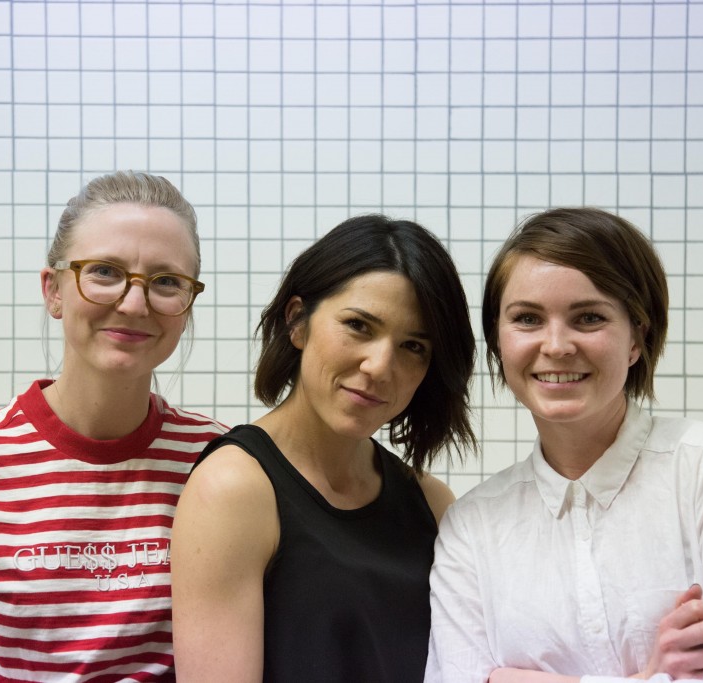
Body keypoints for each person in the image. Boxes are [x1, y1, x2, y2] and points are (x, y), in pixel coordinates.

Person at [426, 207, 703, 682]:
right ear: (499, 343)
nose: (557, 345)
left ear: (636, 339)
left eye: (588, 317)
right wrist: (649, 676)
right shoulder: (474, 525)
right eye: (527, 319)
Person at [0, 171, 227, 682]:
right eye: (104, 271)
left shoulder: (219, 463)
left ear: (188, 304)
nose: (133, 303)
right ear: (53, 290)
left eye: (166, 282)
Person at [171, 214, 476, 682]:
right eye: (358, 325)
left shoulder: (433, 504)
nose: (379, 366)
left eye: (413, 346)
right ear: (297, 321)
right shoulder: (234, 489)